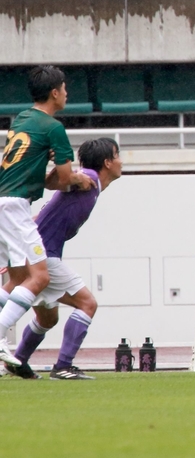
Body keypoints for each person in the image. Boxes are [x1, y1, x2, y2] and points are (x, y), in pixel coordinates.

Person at [3, 138, 122, 380]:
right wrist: (64, 169)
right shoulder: (89, 176)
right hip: (45, 256)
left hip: (36, 252)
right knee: (87, 304)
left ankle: (18, 363)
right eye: (118, 155)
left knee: (47, 317)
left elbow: (45, 213)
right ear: (107, 162)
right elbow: (55, 180)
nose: (122, 161)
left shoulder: (93, 183)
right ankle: (63, 367)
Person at [0, 66, 93, 367]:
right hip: (15, 207)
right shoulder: (54, 128)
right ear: (55, 92)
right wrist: (77, 177)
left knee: (16, 279)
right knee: (40, 277)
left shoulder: (23, 119)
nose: (67, 93)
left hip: (5, 201)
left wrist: (60, 173)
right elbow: (64, 179)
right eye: (65, 88)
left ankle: (2, 341)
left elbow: (47, 179)